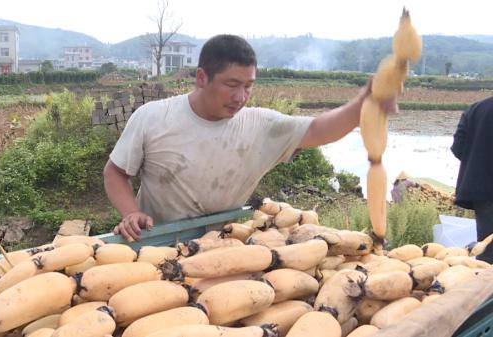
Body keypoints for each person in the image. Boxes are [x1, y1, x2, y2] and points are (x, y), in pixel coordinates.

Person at [104, 34, 397, 241]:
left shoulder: (260, 125)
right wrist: (131, 213)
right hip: (156, 241)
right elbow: (115, 172)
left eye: (248, 86)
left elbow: (319, 130)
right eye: (231, 84)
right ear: (202, 77)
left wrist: (362, 104)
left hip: (225, 243)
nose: (240, 97)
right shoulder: (154, 117)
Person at [451, 96, 493, 262]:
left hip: (481, 188)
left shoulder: (476, 109)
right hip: (482, 186)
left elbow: (457, 147)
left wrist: (478, 163)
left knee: (487, 247)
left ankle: (485, 285)